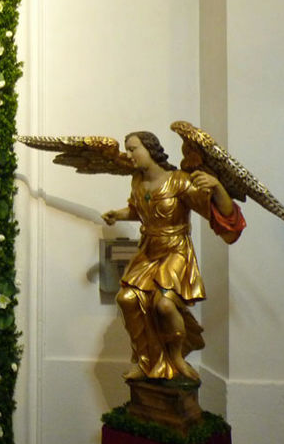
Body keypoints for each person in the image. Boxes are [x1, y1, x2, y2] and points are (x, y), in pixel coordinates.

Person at [102, 131, 245, 382]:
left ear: (150, 150)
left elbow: (216, 211)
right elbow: (140, 210)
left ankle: (177, 356)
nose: (128, 154)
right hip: (148, 250)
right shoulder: (137, 181)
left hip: (175, 250)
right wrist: (119, 214)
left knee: (165, 305)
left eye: (133, 148)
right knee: (126, 299)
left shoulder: (178, 181)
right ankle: (145, 360)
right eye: (127, 149)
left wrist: (218, 187)